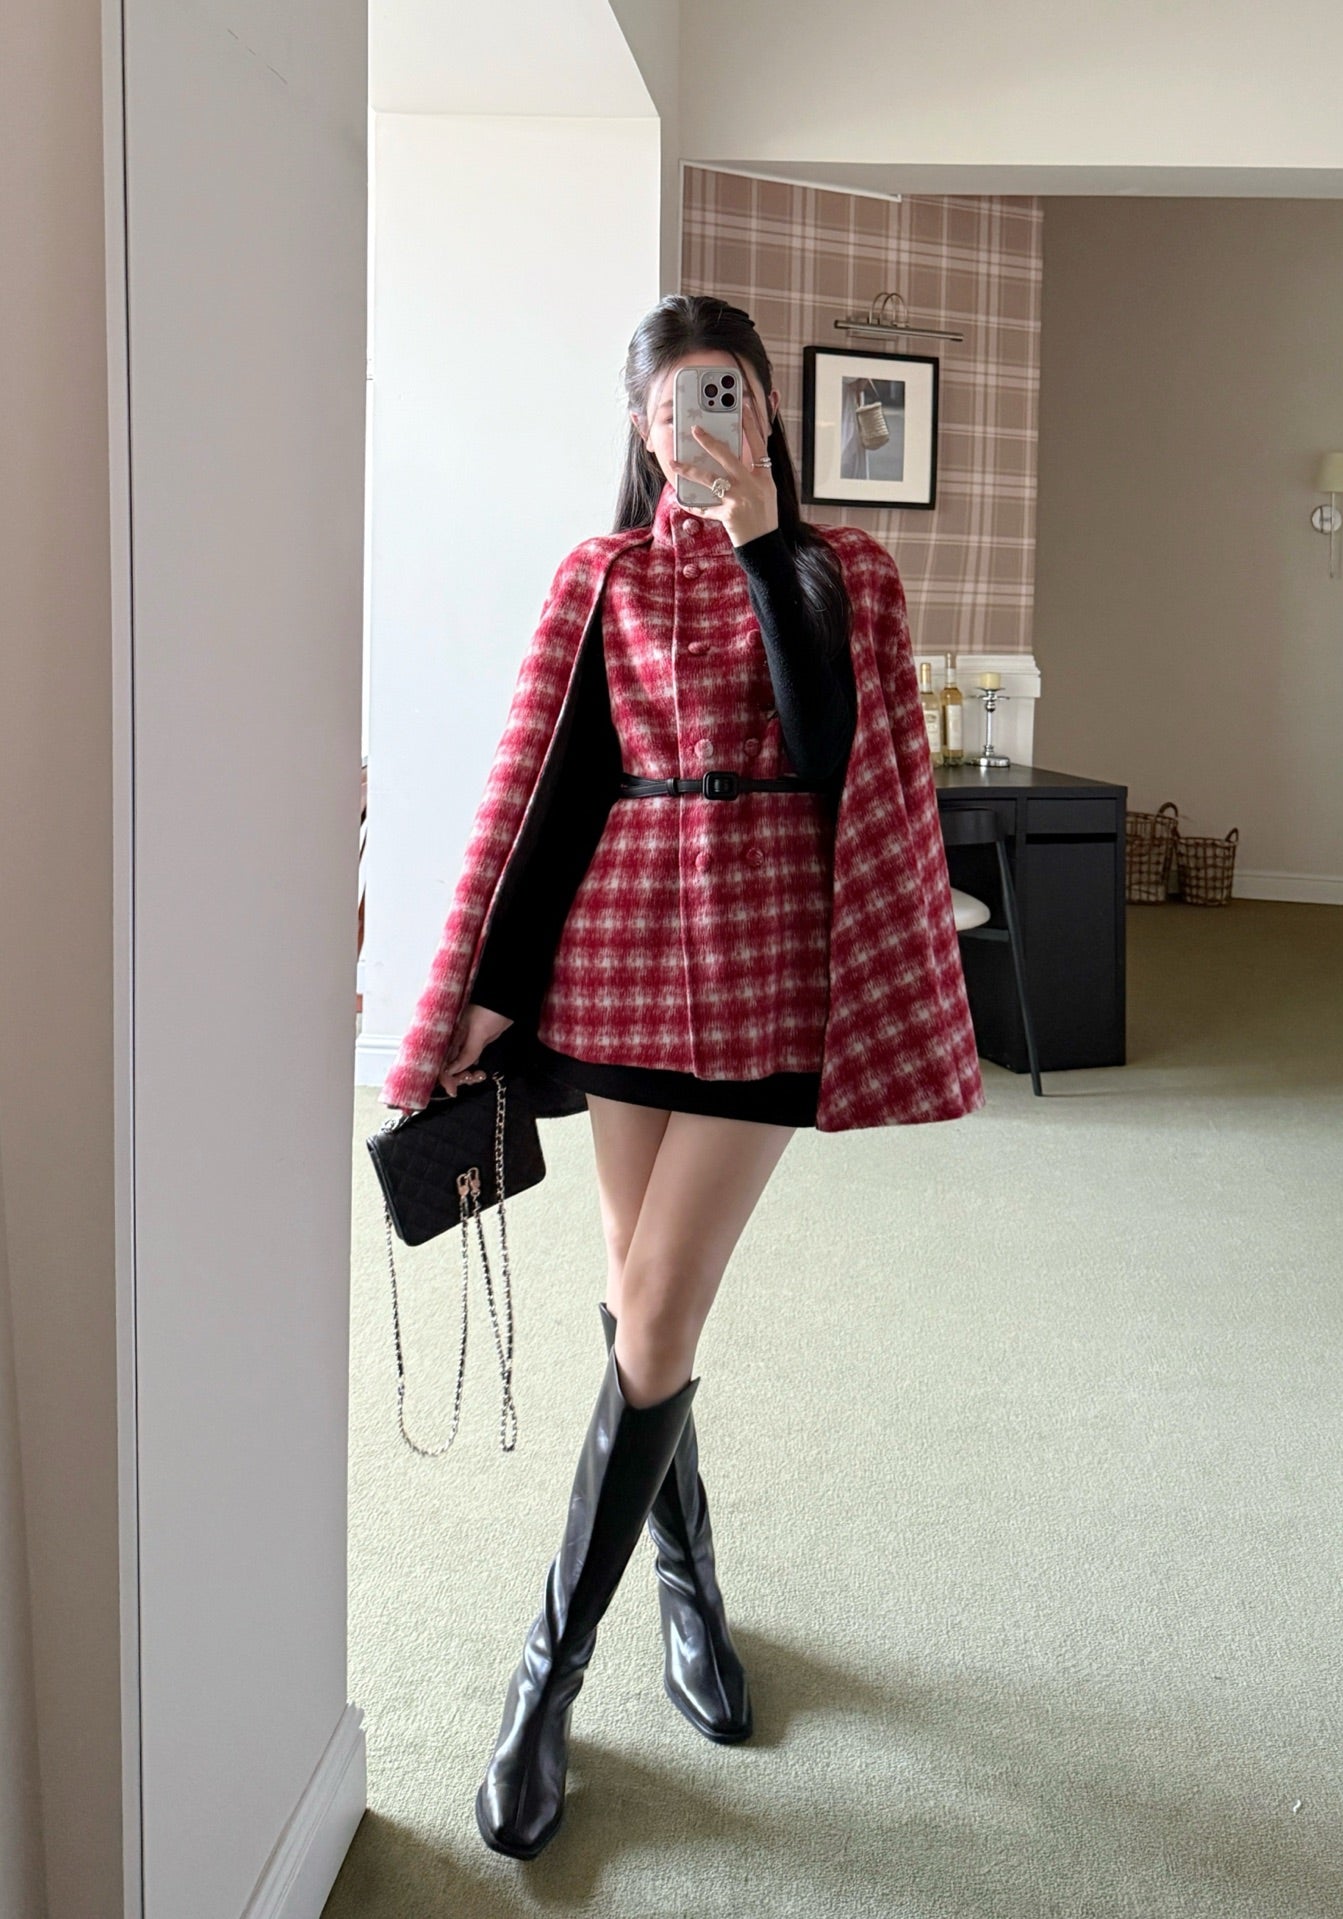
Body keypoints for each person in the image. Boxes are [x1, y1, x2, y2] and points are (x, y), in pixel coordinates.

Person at [381, 294, 983, 1860]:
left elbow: (837, 746)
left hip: (769, 959)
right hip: (621, 948)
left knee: (655, 1308)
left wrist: (766, 544)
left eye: (728, 394)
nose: (701, 421)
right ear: (643, 432)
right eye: (674, 403)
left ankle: (544, 1674)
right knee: (636, 1290)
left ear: (765, 412)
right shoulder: (600, 575)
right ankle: (688, 1582)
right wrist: (486, 999)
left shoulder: (844, 571)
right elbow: (558, 789)